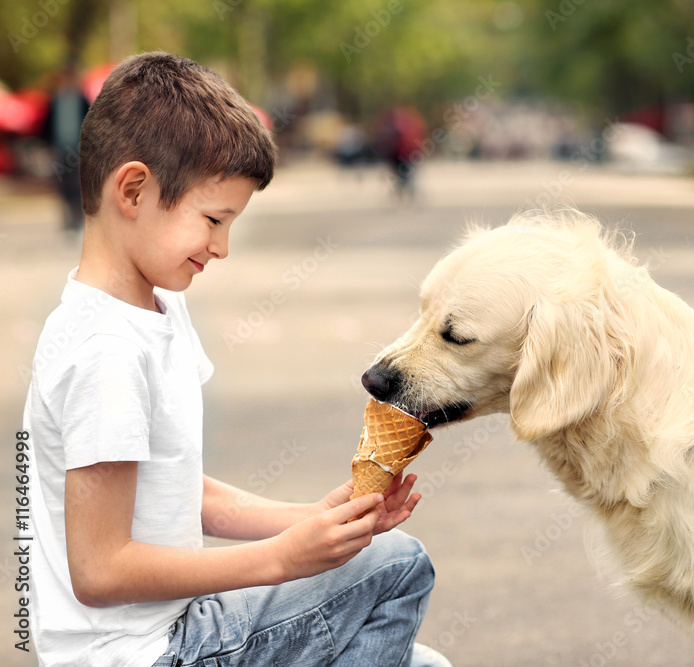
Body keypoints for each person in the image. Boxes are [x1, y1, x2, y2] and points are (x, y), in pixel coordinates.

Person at [22, 52, 450, 667]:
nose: (221, 247)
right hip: (144, 651)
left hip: (177, 626)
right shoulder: (105, 352)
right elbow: (98, 569)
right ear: (134, 190)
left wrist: (313, 521)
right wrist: (280, 560)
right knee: (399, 563)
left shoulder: (157, 309)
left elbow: (175, 490)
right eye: (214, 219)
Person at [44, 62, 90, 233]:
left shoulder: (81, 99)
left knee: (76, 184)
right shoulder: (55, 101)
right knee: (61, 184)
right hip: (60, 148)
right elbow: (47, 125)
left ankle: (78, 216)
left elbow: (90, 121)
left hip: (77, 149)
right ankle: (67, 218)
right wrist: (48, 144)